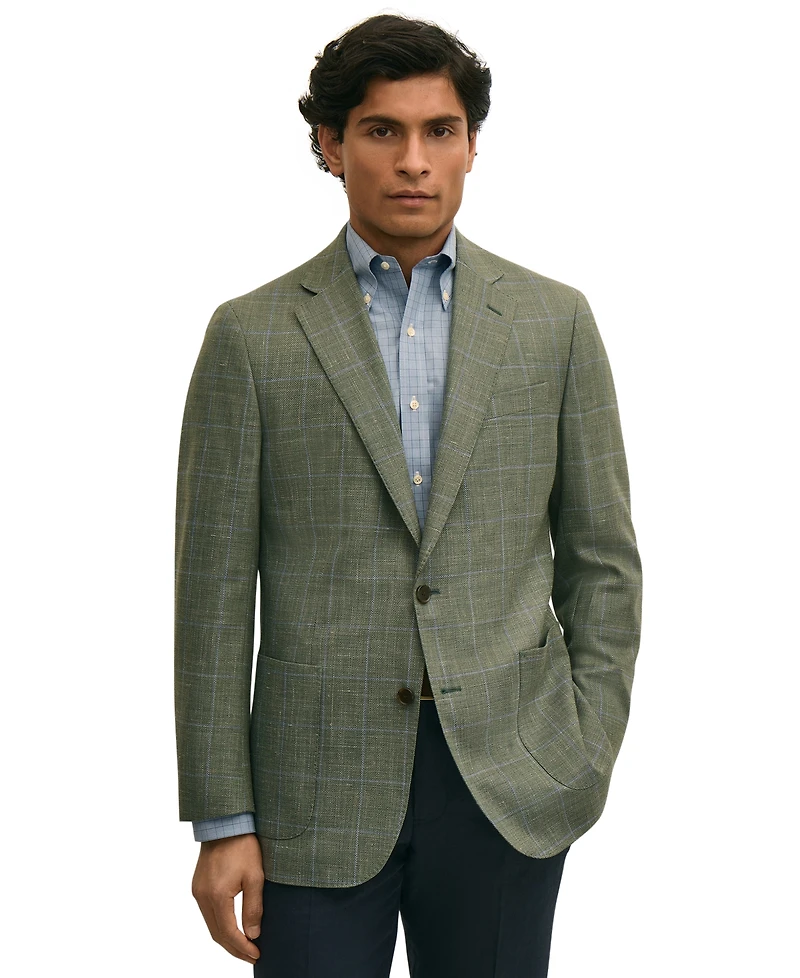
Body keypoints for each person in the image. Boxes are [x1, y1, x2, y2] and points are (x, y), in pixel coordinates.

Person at [174, 13, 642, 977]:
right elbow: (212, 596)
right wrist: (223, 818)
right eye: (383, 131)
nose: (414, 161)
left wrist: (584, 749)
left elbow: (604, 561)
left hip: (509, 779)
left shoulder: (553, 323)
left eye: (440, 130)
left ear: (472, 145)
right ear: (331, 145)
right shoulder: (251, 337)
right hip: (312, 792)